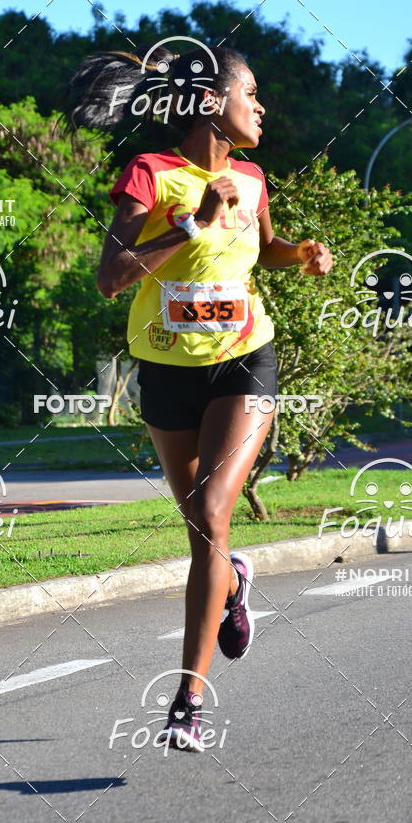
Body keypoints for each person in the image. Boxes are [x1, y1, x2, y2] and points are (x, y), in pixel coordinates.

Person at [66, 44, 332, 752]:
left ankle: (188, 701)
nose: (262, 107)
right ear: (214, 102)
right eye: (253, 93)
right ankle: (235, 581)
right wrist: (190, 224)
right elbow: (110, 278)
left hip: (245, 360)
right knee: (203, 534)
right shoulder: (152, 175)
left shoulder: (253, 175)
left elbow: (263, 246)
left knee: (214, 510)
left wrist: (298, 252)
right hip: (166, 372)